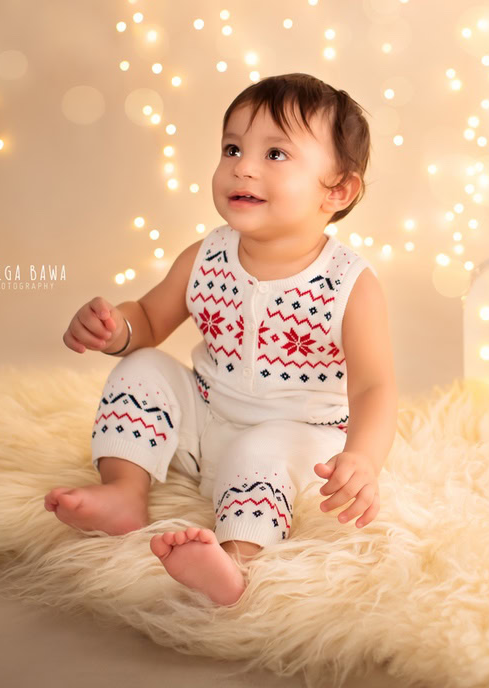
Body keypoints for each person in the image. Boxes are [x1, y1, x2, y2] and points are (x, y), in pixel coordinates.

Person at [44, 73, 398, 606]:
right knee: (140, 369)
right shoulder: (206, 256)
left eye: (275, 154)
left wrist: (363, 460)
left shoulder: (349, 282)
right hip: (207, 420)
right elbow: (149, 318)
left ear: (338, 190)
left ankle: (234, 560)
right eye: (232, 147)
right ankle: (124, 491)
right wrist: (116, 328)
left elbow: (374, 388)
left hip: (296, 437)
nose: (244, 166)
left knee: (263, 449)